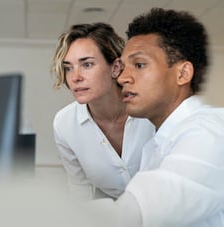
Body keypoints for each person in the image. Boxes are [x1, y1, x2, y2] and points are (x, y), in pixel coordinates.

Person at [88, 8, 224, 227]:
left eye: (139, 65)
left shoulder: (208, 132)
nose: (122, 78)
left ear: (182, 74)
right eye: (122, 67)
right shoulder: (156, 142)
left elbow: (135, 214)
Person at [51, 23, 155, 201]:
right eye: (68, 67)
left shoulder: (153, 109)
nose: (75, 77)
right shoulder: (64, 123)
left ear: (115, 68)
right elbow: (79, 187)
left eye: (87, 64)